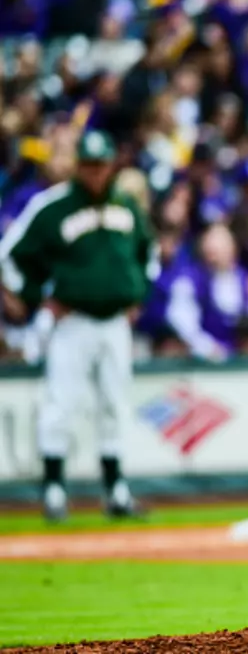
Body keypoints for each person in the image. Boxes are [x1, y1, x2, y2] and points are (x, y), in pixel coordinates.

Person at [0, 130, 156, 522]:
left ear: (111, 166)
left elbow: (147, 253)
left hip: (116, 322)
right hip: (72, 321)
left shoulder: (126, 205)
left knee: (115, 404)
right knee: (60, 403)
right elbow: (10, 257)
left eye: (101, 166)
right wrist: (38, 297)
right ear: (78, 166)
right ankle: (54, 490)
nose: (96, 174)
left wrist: (139, 293)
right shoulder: (53, 207)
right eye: (88, 166)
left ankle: (116, 490)